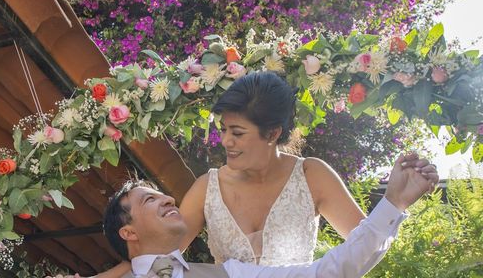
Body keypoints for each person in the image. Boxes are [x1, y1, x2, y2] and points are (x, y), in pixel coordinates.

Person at [94, 71, 435, 276]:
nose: (225, 141)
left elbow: (353, 256)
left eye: (238, 132)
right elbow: (155, 254)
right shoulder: (206, 188)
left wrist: (395, 202)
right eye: (224, 129)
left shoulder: (311, 175)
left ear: (272, 134)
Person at [103, 153, 438, 278]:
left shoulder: (230, 274)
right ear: (128, 232)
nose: (169, 199)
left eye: (163, 195)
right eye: (149, 200)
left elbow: (328, 272)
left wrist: (393, 203)